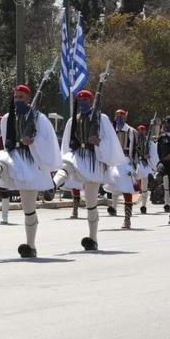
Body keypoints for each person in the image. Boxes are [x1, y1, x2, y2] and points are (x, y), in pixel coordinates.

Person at [0, 84, 62, 258]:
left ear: (28, 98)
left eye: (21, 97)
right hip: (14, 155)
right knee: (0, 159)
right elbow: (7, 141)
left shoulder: (38, 118)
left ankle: (31, 245)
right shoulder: (7, 117)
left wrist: (33, 141)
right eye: (15, 97)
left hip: (30, 160)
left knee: (28, 209)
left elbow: (47, 140)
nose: (17, 99)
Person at [52, 90, 125, 251]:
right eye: (80, 99)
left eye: (85, 99)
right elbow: (67, 140)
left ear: (92, 100)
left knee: (90, 203)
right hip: (79, 155)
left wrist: (98, 142)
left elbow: (110, 140)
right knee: (67, 163)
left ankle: (93, 238)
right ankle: (53, 185)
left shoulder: (101, 118)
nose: (83, 102)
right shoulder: (74, 120)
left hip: (94, 159)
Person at [105, 109, 139, 229]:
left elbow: (135, 150)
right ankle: (113, 207)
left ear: (125, 117)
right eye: (117, 116)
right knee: (113, 187)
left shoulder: (131, 131)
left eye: (121, 116)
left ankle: (127, 219)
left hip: (125, 161)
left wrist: (134, 166)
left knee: (127, 190)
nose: (119, 118)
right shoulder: (111, 131)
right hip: (114, 162)